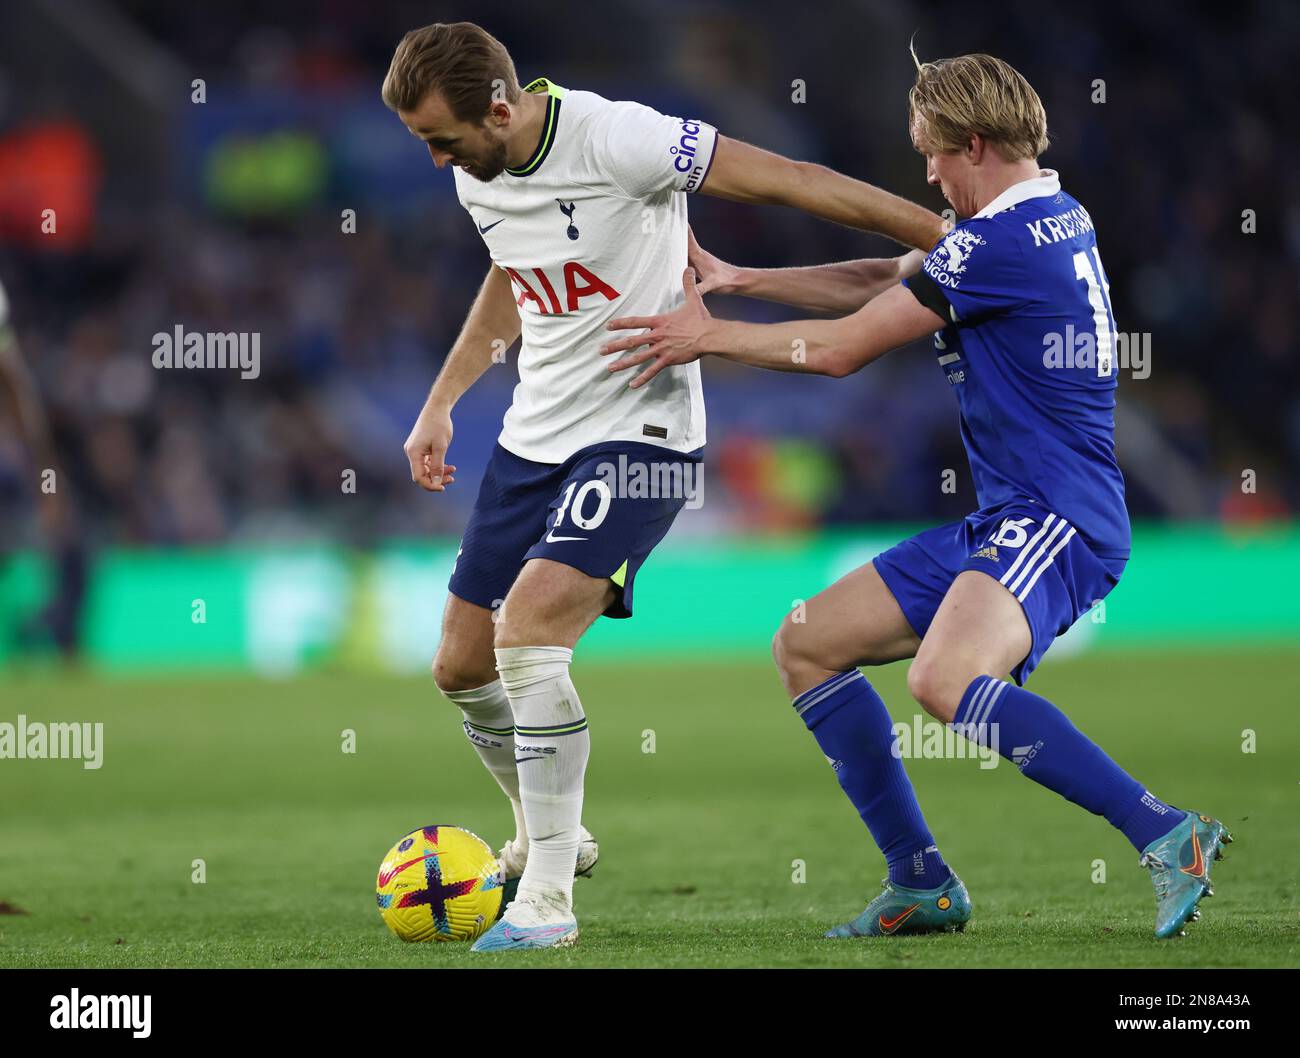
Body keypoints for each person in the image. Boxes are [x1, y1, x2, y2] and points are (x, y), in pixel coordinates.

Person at [602, 50, 1231, 940]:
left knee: (944, 680)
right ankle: (922, 881)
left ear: (972, 143)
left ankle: (1168, 834)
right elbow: (886, 280)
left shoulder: (1001, 244)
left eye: (933, 153)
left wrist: (709, 336)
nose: (927, 173)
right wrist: (746, 282)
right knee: (808, 644)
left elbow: (840, 351)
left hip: (1060, 519)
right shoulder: (1044, 218)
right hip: (1009, 518)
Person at [383, 20, 944, 950]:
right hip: (535, 437)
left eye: (441, 139)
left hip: (642, 431)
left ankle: (548, 900)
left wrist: (940, 232)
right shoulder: (477, 174)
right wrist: (443, 400)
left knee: (528, 634)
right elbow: (510, 273)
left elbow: (793, 180)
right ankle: (552, 828)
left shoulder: (621, 138)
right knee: (460, 665)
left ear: (498, 107)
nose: (437, 160)